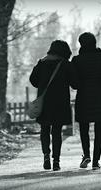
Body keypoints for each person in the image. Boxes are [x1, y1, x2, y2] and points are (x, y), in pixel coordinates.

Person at [71, 32, 101, 170]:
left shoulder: (76, 60)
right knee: (99, 130)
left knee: (84, 128)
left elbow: (74, 84)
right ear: (94, 42)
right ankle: (96, 161)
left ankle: (86, 155)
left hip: (84, 98)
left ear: (80, 44)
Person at [29, 40, 76, 171]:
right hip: (60, 103)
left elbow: (33, 80)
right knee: (56, 131)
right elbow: (75, 84)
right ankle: (56, 161)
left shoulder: (42, 63)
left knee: (45, 129)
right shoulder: (66, 64)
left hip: (45, 103)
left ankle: (46, 156)